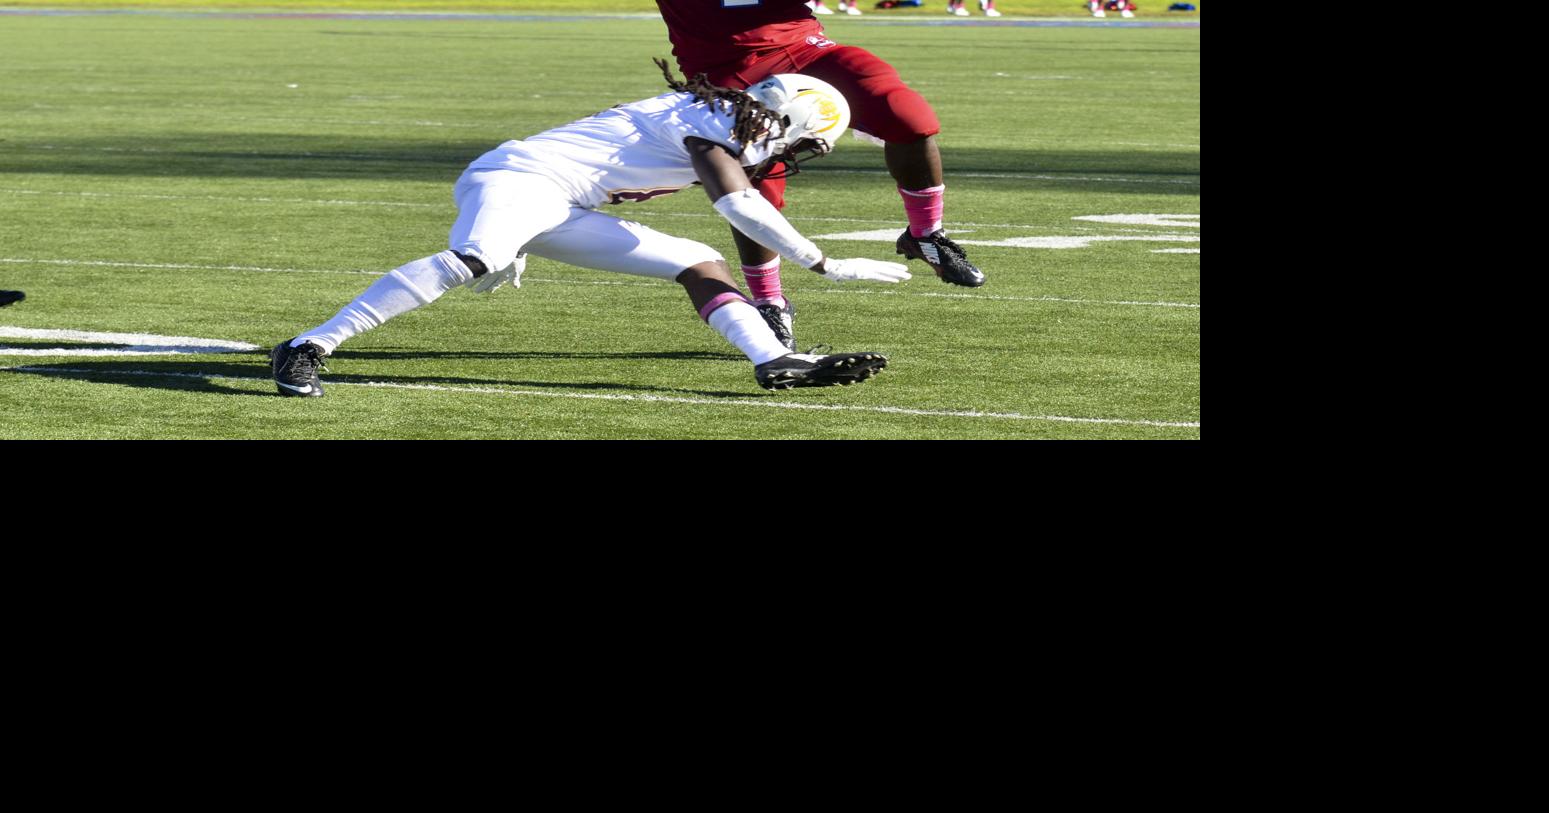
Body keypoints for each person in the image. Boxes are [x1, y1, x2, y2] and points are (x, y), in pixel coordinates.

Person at [270, 65, 910, 399]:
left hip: (558, 202)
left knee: (698, 261)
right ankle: (307, 346)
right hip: (519, 180)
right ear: (789, 120)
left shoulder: (723, 115)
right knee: (479, 255)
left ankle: (774, 360)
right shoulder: (714, 125)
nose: (794, 155)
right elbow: (740, 206)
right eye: (804, 142)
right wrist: (823, 263)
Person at [655, 0, 987, 349]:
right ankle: (769, 303)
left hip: (804, 48)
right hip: (723, 70)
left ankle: (926, 234)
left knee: (908, 115)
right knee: (754, 188)